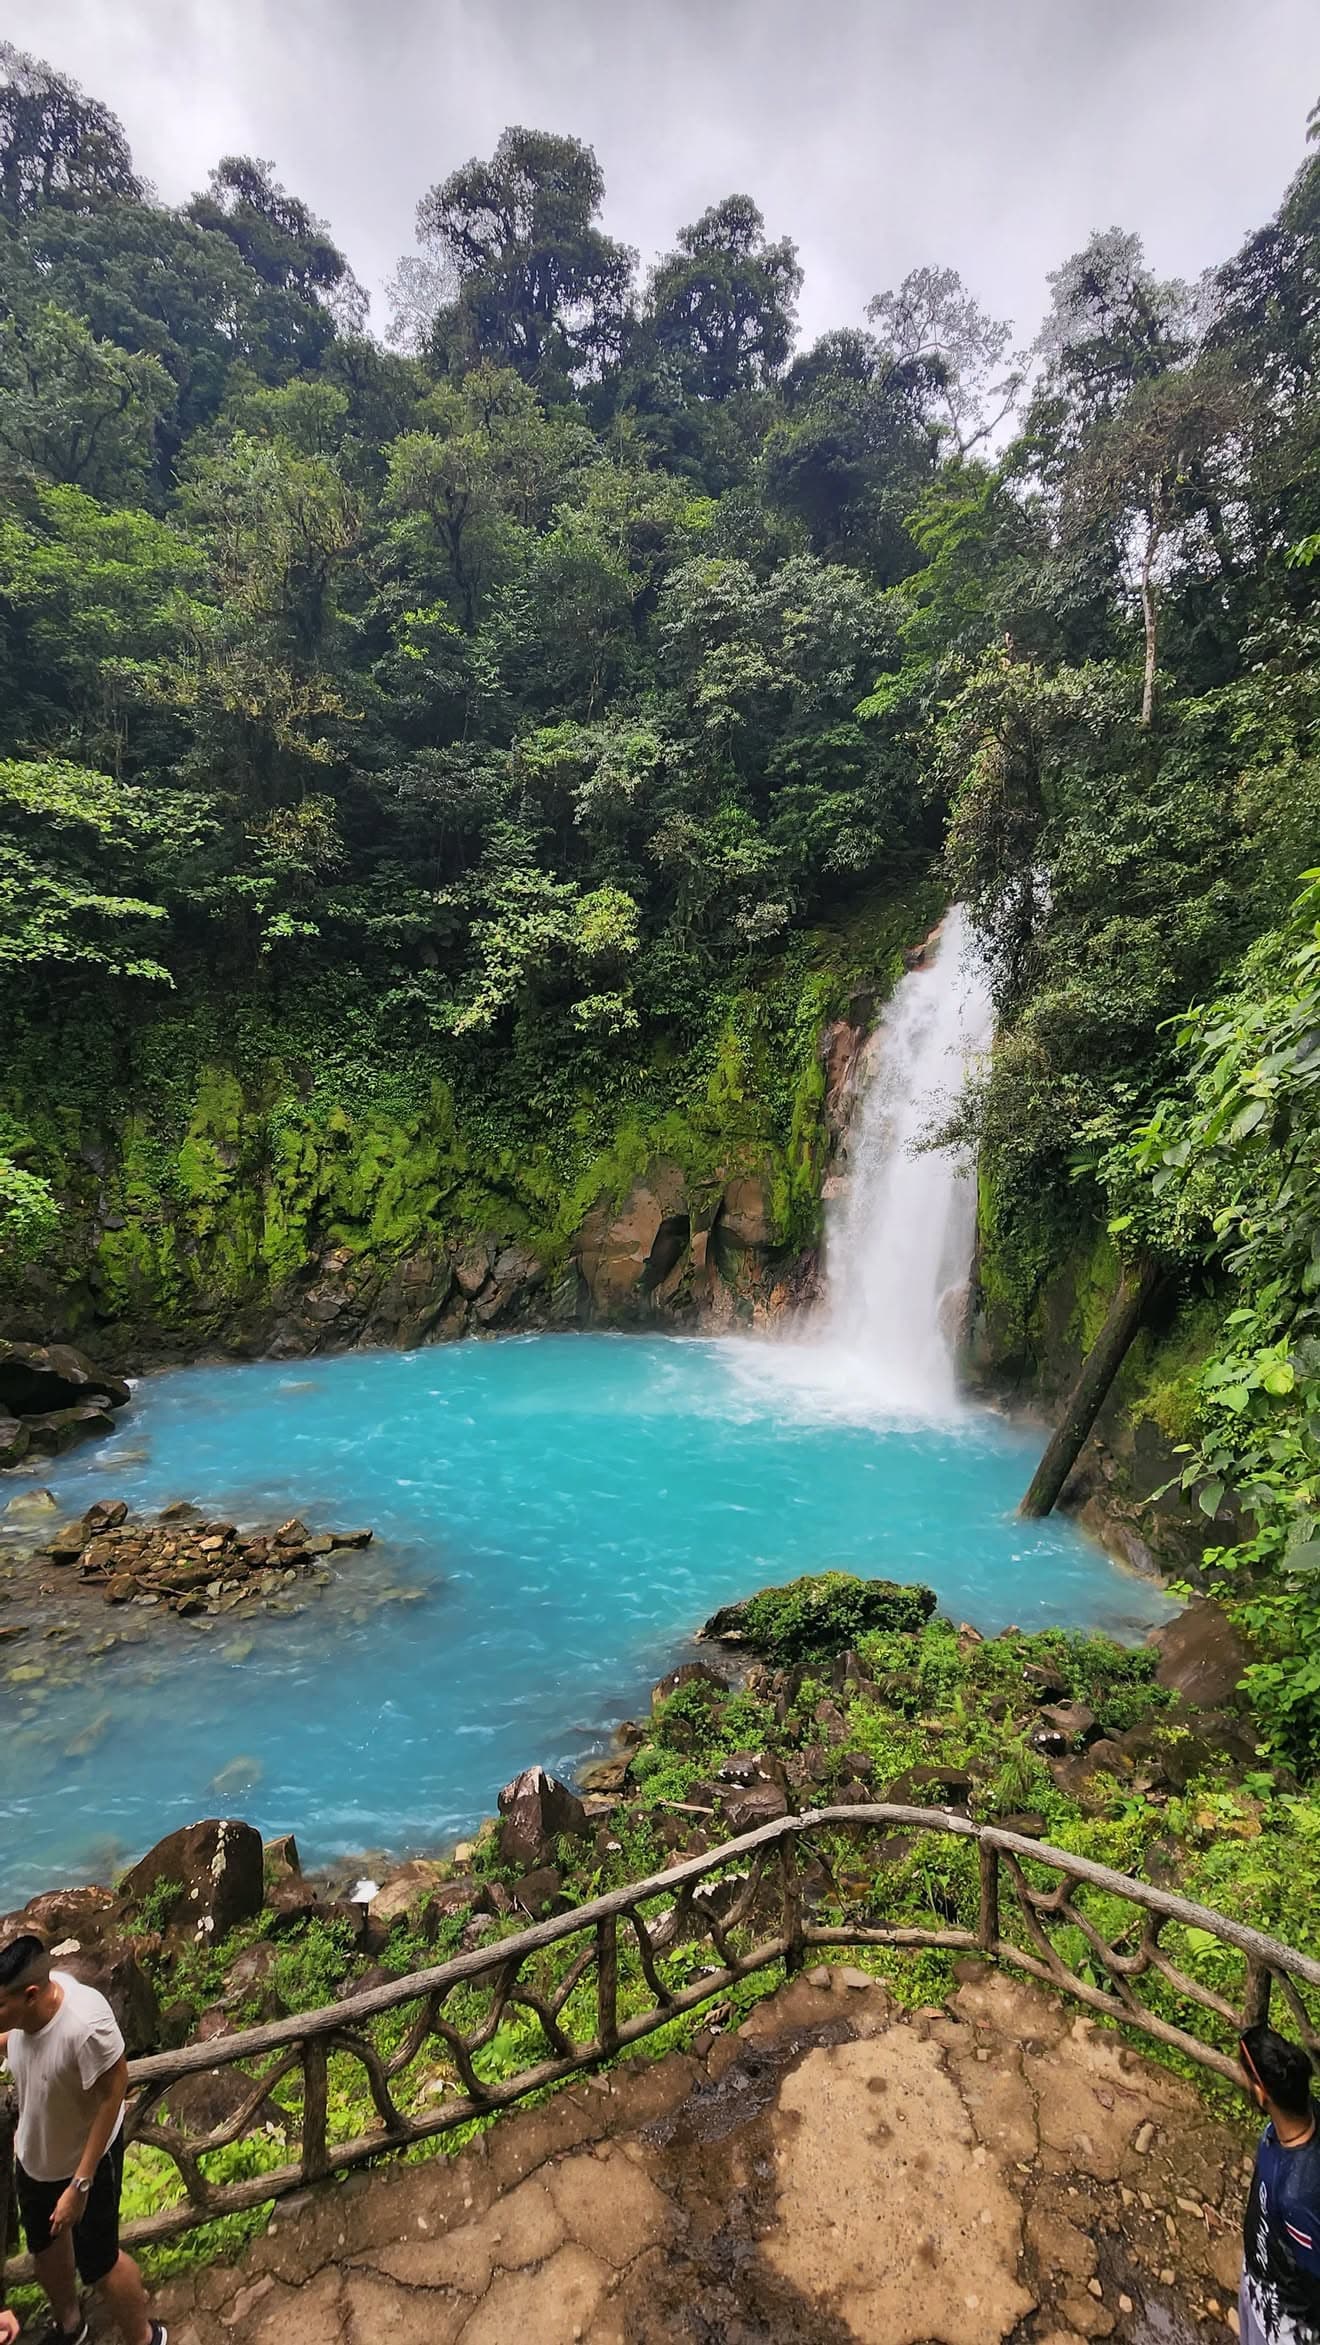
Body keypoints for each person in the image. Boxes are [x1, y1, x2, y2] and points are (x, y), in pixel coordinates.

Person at [0, 1935, 166, 2345]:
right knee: (45, 2249)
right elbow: (15, 2040)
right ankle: (72, 2326)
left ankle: (145, 2338)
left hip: (85, 2164)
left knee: (101, 2264)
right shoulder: (23, 2018)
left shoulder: (85, 2024)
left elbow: (115, 2091)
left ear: (32, 1994)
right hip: (35, 2157)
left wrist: (80, 2184)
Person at [1240, 2023, 1320, 2345]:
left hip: (1283, 2319)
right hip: (1261, 2270)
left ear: (1261, 2094)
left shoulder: (1297, 2198)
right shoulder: (1304, 2115)